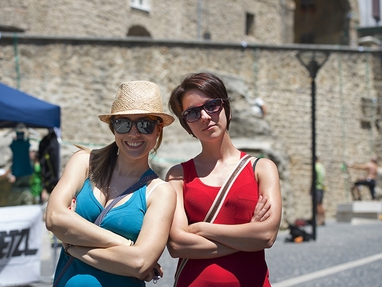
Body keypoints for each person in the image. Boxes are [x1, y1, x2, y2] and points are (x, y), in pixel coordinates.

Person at [45, 81, 176, 287]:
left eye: (145, 124)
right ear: (113, 127)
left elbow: (140, 264)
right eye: (123, 123)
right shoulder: (84, 163)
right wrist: (124, 244)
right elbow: (53, 218)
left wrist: (72, 245)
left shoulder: (160, 192)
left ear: (158, 130)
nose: (134, 133)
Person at [166, 72, 282, 286]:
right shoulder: (177, 175)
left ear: (226, 109)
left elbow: (266, 236)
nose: (204, 116)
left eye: (211, 105)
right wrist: (248, 237)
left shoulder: (262, 169)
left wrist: (201, 229)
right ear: (187, 125)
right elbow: (176, 244)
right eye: (192, 112)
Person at [315, 156, 326, 226]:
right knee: (321, 204)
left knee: (317, 204)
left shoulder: (316, 166)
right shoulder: (322, 166)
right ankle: (323, 218)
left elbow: (314, 178)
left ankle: (319, 220)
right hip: (322, 187)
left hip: (317, 187)